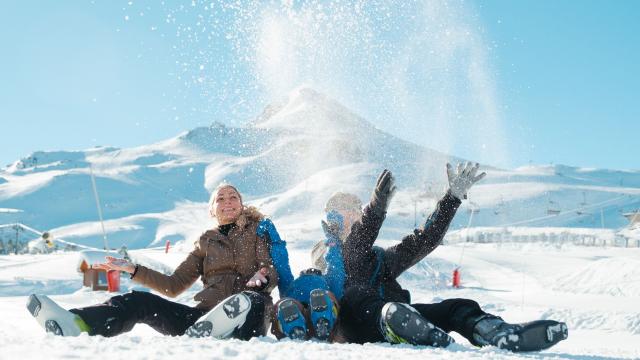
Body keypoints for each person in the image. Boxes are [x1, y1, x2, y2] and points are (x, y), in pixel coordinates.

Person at [321, 163, 569, 352]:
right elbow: (354, 248)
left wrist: (452, 199)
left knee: (456, 307)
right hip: (355, 326)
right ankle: (394, 320)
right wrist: (375, 211)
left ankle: (494, 331)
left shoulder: (379, 260)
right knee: (357, 295)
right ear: (332, 221)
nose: (351, 219)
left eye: (354, 211)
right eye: (342, 214)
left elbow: (423, 241)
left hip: (400, 320)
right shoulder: (326, 253)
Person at [26, 183, 279, 339]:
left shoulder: (259, 230)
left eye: (233, 196)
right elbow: (174, 284)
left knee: (250, 300)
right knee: (139, 301)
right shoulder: (206, 243)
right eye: (220, 199)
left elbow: (271, 267)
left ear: (242, 204)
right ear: (213, 209)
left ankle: (227, 332)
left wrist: (264, 275)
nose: (227, 202)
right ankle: (79, 324)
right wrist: (133, 269)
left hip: (249, 316)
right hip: (204, 320)